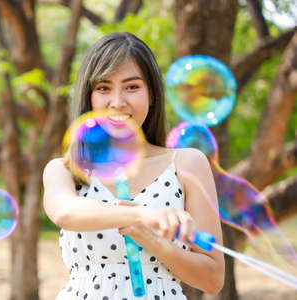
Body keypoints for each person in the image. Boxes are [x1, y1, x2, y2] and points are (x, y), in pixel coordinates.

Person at [43, 32, 224, 300]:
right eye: (104, 88)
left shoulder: (187, 163)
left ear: (152, 95)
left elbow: (213, 279)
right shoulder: (64, 169)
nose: (117, 102)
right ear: (89, 96)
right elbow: (65, 212)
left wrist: (153, 240)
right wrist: (141, 216)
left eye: (132, 87)